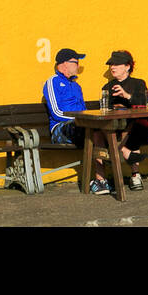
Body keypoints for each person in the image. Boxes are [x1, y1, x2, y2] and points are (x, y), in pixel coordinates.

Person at [43, 47, 110, 194]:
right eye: (76, 62)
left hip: (82, 126)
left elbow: (84, 110)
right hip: (61, 129)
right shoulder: (52, 82)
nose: (78, 66)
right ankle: (118, 158)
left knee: (104, 130)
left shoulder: (76, 86)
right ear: (64, 63)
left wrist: (87, 120)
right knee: (96, 131)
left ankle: (100, 181)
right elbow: (56, 113)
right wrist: (83, 120)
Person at [99, 50, 148, 190]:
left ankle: (133, 171)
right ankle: (134, 171)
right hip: (115, 129)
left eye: (116, 64)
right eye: (111, 64)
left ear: (128, 66)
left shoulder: (138, 84)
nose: (112, 67)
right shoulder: (107, 88)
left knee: (131, 128)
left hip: (140, 128)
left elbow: (144, 103)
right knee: (120, 129)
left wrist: (127, 96)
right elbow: (105, 109)